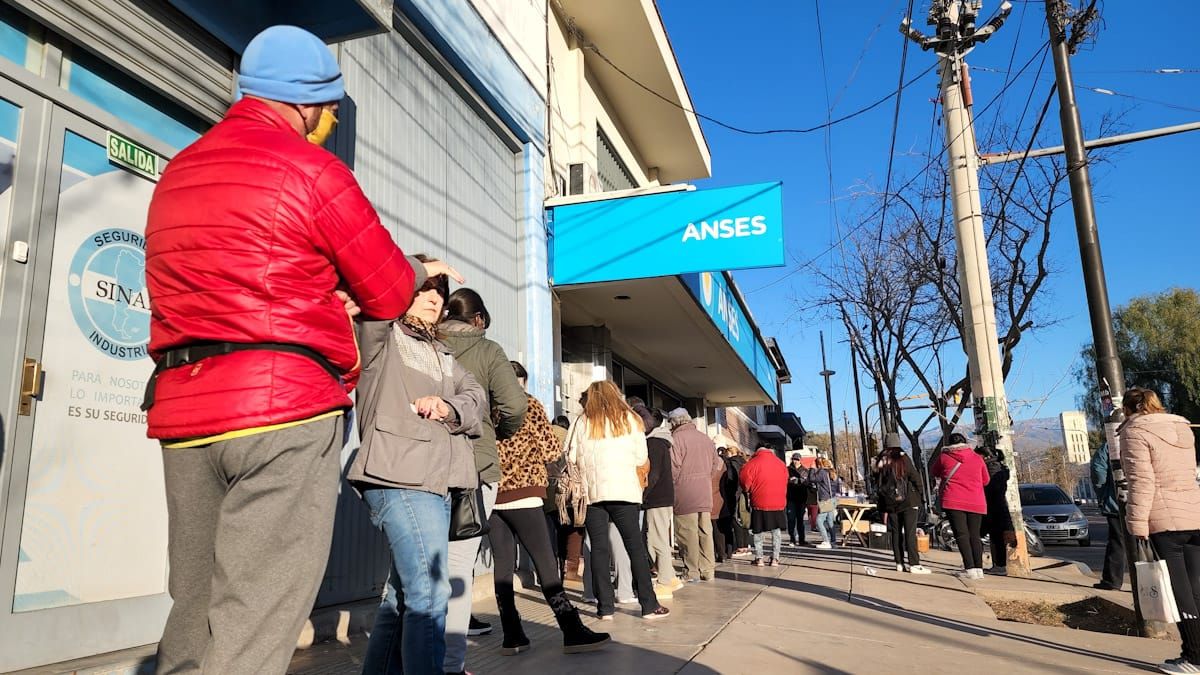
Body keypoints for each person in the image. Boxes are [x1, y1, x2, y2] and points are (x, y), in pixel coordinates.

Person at [143, 25, 461, 674]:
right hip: (284, 410)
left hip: (184, 413)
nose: (332, 117)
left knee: (193, 614)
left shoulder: (178, 173)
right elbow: (394, 287)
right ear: (306, 103)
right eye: (329, 105)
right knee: (255, 619)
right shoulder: (315, 170)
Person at [347, 264, 484, 673]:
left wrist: (449, 406)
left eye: (439, 293)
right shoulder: (380, 339)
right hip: (397, 474)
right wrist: (420, 266)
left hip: (438, 483)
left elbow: (475, 396)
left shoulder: (443, 355)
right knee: (430, 590)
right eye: (424, 289)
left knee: (402, 595)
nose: (433, 297)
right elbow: (373, 283)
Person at [489, 362, 610, 656]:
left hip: (491, 494)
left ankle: (512, 635)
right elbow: (549, 450)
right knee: (545, 563)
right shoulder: (528, 404)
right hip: (525, 493)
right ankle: (571, 629)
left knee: (502, 567)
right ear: (522, 383)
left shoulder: (483, 406)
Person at [437, 288, 528, 670]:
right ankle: (451, 664)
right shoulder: (488, 351)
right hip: (476, 467)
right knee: (459, 568)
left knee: (415, 569)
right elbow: (515, 406)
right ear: (478, 318)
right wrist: (498, 431)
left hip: (423, 464)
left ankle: (413, 659)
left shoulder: (424, 343)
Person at [566, 381, 670, 620]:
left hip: (593, 495)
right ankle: (649, 604)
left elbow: (570, 456)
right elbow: (641, 456)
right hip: (625, 493)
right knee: (634, 547)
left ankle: (605, 608)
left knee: (599, 550)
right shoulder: (631, 419)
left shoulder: (583, 421)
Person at [1120, 387, 1200, 675]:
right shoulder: (1183, 428)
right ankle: (1193, 654)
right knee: (1197, 587)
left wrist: (1136, 522)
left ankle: (1194, 657)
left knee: (1180, 592)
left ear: (1128, 409)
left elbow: (1142, 481)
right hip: (1195, 514)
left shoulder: (1135, 432)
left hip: (1165, 520)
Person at [667, 408, 725, 582]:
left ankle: (691, 571)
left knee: (687, 533)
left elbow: (672, 469)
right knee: (705, 532)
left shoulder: (676, 439)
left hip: (685, 493)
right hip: (704, 492)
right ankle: (708, 570)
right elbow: (717, 464)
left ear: (675, 422)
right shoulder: (705, 438)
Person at [635, 405, 681, 598]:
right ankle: (670, 577)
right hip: (663, 497)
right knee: (659, 537)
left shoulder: (654, 443)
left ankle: (664, 582)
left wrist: (642, 495)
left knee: (656, 540)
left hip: (656, 498)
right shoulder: (661, 441)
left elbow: (652, 475)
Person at [931, 433, 991, 579]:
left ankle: (969, 568)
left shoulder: (944, 457)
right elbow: (986, 480)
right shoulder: (977, 458)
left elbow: (934, 472)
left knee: (961, 535)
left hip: (953, 500)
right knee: (974, 536)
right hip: (976, 501)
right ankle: (979, 569)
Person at [873, 434, 930, 574]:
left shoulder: (880, 460)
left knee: (896, 532)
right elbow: (914, 476)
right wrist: (921, 494)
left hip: (889, 502)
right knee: (910, 532)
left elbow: (875, 480)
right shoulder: (902, 457)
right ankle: (914, 564)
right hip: (908, 500)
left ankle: (899, 562)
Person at [740, 447, 789, 567]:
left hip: (759, 502)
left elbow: (745, 482)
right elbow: (786, 479)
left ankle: (759, 558)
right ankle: (775, 559)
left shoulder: (752, 464)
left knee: (758, 531)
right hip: (778, 503)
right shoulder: (780, 463)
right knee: (776, 532)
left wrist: (749, 490)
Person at [1090, 442, 1126, 590]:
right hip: (1150, 504)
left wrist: (1103, 495)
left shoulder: (1110, 445)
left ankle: (1113, 581)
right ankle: (1154, 582)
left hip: (1117, 503)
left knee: (1118, 543)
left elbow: (1098, 472)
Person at [980, 446, 1014, 576]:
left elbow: (989, 488)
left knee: (993, 536)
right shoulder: (999, 467)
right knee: (996, 536)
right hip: (997, 505)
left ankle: (998, 565)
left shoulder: (991, 468)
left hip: (991, 505)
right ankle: (998, 565)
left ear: (986, 456)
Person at [808, 458, 840, 549]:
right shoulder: (833, 473)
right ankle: (833, 541)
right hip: (832, 499)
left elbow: (812, 479)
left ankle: (826, 541)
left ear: (819, 465)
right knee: (830, 521)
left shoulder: (822, 472)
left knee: (819, 521)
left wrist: (812, 469)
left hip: (825, 500)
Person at [786, 453, 809, 546]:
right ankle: (792, 538)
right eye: (794, 459)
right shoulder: (788, 469)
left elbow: (806, 482)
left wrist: (797, 480)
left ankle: (802, 539)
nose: (795, 461)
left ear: (800, 460)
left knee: (800, 520)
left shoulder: (805, 470)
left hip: (801, 498)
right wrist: (792, 481)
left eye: (797, 459)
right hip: (790, 498)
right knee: (791, 519)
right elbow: (786, 481)